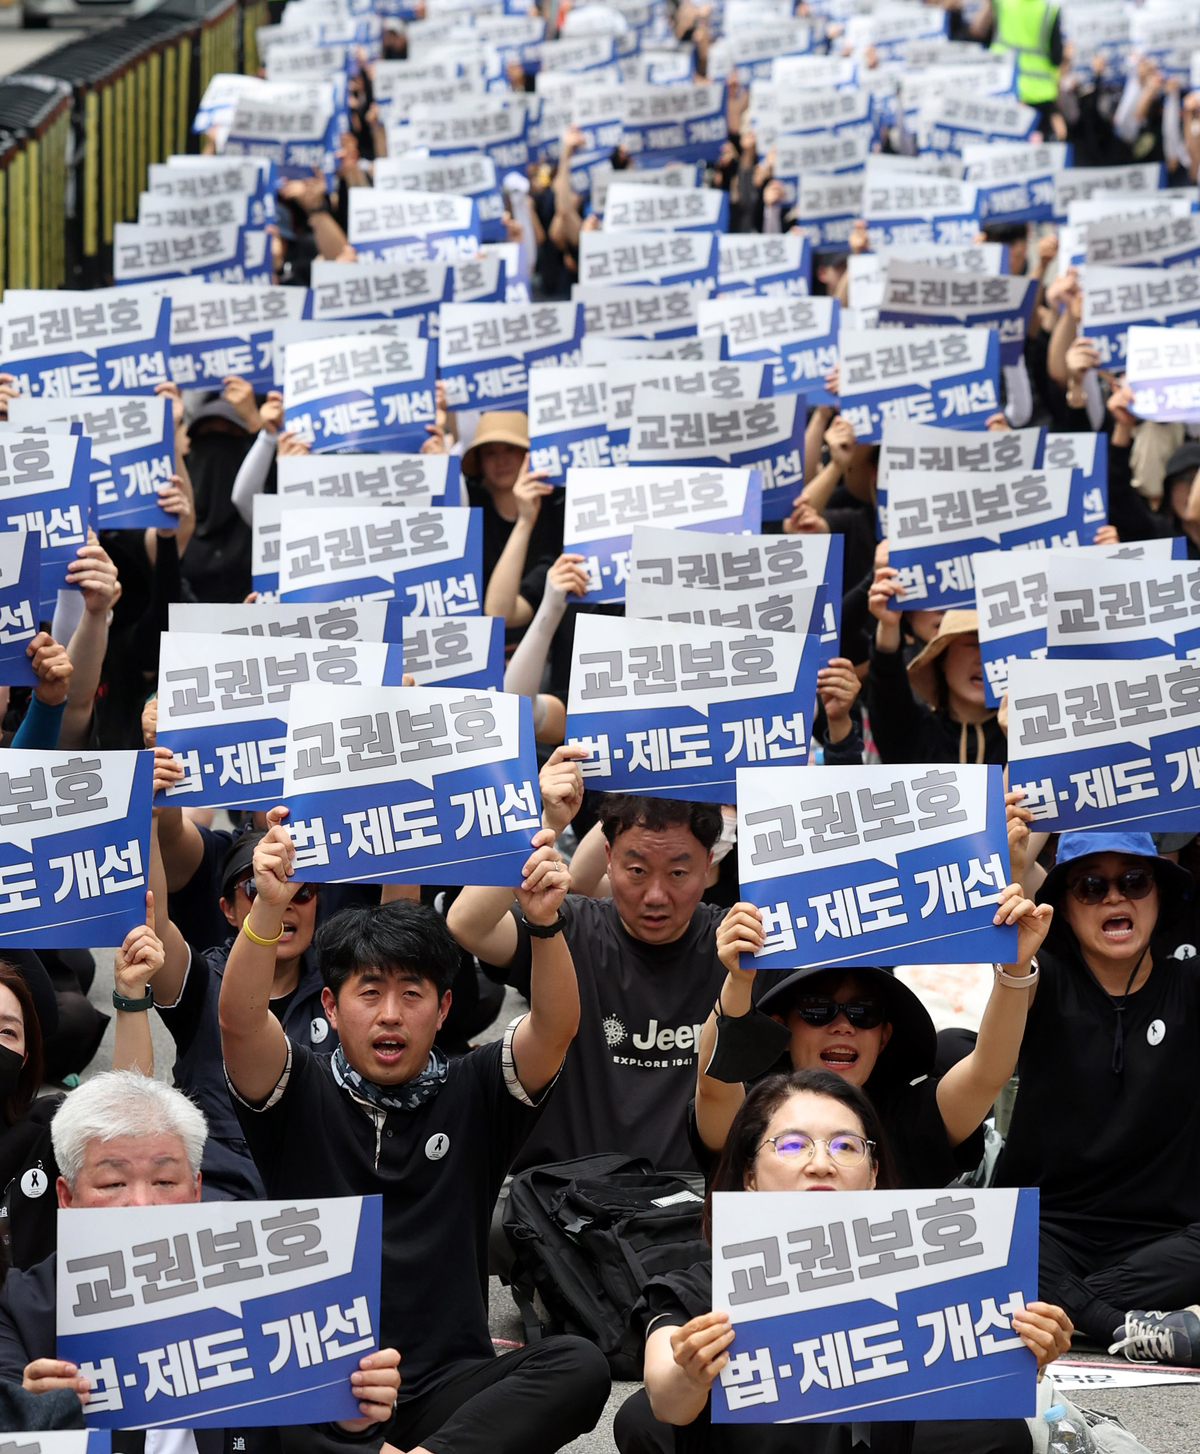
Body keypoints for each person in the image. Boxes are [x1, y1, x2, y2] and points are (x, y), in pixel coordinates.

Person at [219, 808, 610, 1454]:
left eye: (412, 993)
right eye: (369, 993)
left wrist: (544, 923)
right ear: (331, 1006)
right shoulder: (301, 1088)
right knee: (250, 1412)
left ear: (444, 1007)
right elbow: (238, 1023)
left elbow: (555, 1027)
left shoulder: (476, 1088)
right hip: (323, 1389)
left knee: (578, 1366)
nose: (391, 1015)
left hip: (445, 1389)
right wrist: (267, 908)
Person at [617, 1069, 1072, 1454]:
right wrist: (692, 1374)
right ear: (750, 1175)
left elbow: (981, 1386)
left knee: (996, 1429)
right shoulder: (698, 1285)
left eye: (846, 1146)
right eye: (793, 1145)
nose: (821, 1164)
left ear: (873, 1174)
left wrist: (1023, 1353)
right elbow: (664, 1399)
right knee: (640, 1418)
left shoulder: (944, 1273)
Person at [0, 1071, 400, 1447]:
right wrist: (29, 1417)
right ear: (67, 1198)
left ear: (196, 1191)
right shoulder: (17, 1309)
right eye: (113, 1183)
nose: (141, 1205)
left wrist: (350, 1421)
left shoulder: (276, 1293)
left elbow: (305, 1431)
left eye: (164, 1181)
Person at [693, 834, 1050, 1189]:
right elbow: (714, 1084)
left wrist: (1015, 971)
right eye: (818, 1009)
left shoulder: (908, 1119)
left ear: (885, 1037)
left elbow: (987, 1073)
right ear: (782, 1029)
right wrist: (738, 981)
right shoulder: (755, 1113)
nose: (843, 1026)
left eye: (864, 1012)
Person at [447, 754, 732, 1173]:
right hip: (562, 1210)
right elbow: (467, 924)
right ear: (608, 859)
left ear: (707, 866)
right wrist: (547, 820)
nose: (655, 895)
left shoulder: (733, 946)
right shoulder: (568, 925)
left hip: (686, 1212)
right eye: (636, 870)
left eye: (677, 874)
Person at [995, 831, 1200, 1365]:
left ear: (1158, 895)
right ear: (1063, 906)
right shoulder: (1038, 980)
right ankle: (1122, 1326)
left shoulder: (1192, 983)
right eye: (1090, 887)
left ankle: (1071, 1312)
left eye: (1134, 881)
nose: (1115, 898)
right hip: (1048, 1232)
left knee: (1014, 1286)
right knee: (993, 1244)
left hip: (1168, 1240)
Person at [146, 750, 335, 1200]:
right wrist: (150, 821)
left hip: (316, 1176)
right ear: (228, 910)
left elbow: (402, 935)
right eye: (256, 886)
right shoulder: (202, 979)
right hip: (215, 1179)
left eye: (302, 889)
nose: (283, 899)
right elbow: (153, 924)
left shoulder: (342, 987)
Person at [864, 599, 1006, 766]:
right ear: (942, 660)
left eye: (999, 650)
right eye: (973, 644)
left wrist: (1021, 745)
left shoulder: (1023, 735)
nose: (985, 660)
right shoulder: (913, 733)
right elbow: (886, 678)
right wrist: (888, 624)